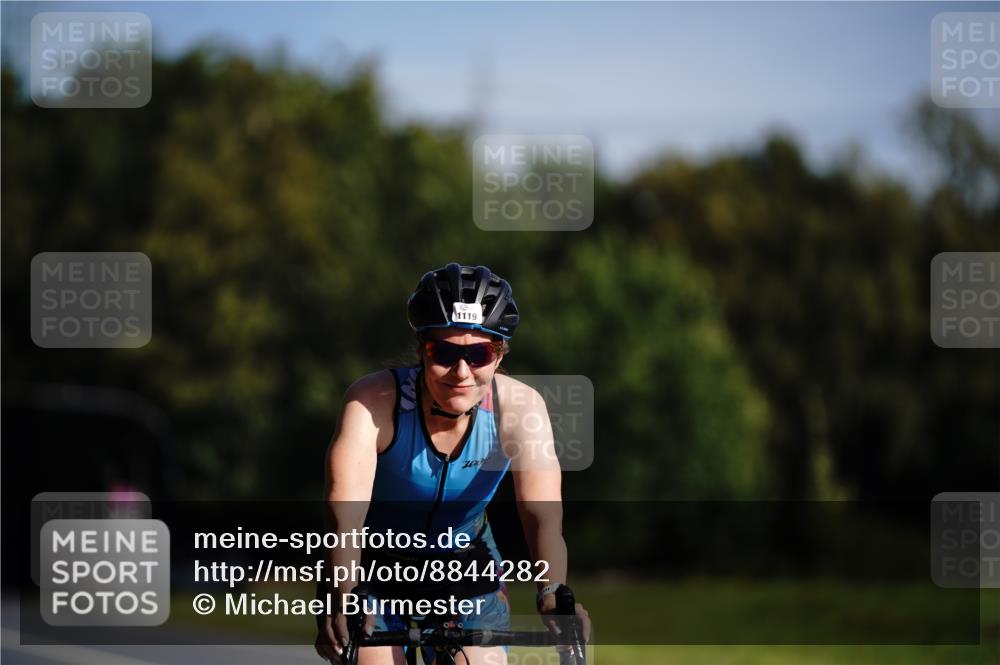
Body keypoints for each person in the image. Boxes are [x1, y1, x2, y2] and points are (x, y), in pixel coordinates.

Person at [315, 263, 590, 665]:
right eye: (443, 352)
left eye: (478, 354)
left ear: (499, 355)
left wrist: (552, 594)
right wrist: (341, 595)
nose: (461, 372)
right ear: (420, 350)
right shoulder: (373, 402)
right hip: (374, 575)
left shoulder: (520, 409)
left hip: (468, 574)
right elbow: (345, 522)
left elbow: (542, 518)